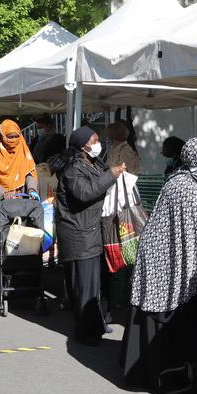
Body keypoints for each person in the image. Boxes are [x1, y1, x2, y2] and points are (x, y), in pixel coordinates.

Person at [120, 137, 197, 394]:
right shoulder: (187, 188)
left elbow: (195, 231)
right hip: (165, 261)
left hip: (160, 257)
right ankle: (165, 378)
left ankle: (144, 373)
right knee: (167, 322)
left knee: (154, 318)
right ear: (196, 160)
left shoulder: (183, 180)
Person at [51, 126, 125, 346]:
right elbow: (85, 193)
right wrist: (111, 174)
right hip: (79, 235)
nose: (98, 143)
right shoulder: (73, 168)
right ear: (84, 145)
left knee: (95, 285)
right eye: (94, 140)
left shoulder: (91, 163)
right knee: (84, 286)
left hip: (91, 232)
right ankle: (86, 332)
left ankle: (96, 324)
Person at [0, 120, 39, 280]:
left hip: (21, 203)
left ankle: (22, 280)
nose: (13, 140)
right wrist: (4, 194)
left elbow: (30, 172)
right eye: (9, 137)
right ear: (1, 136)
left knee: (22, 244)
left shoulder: (22, 149)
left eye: (16, 136)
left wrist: (32, 189)